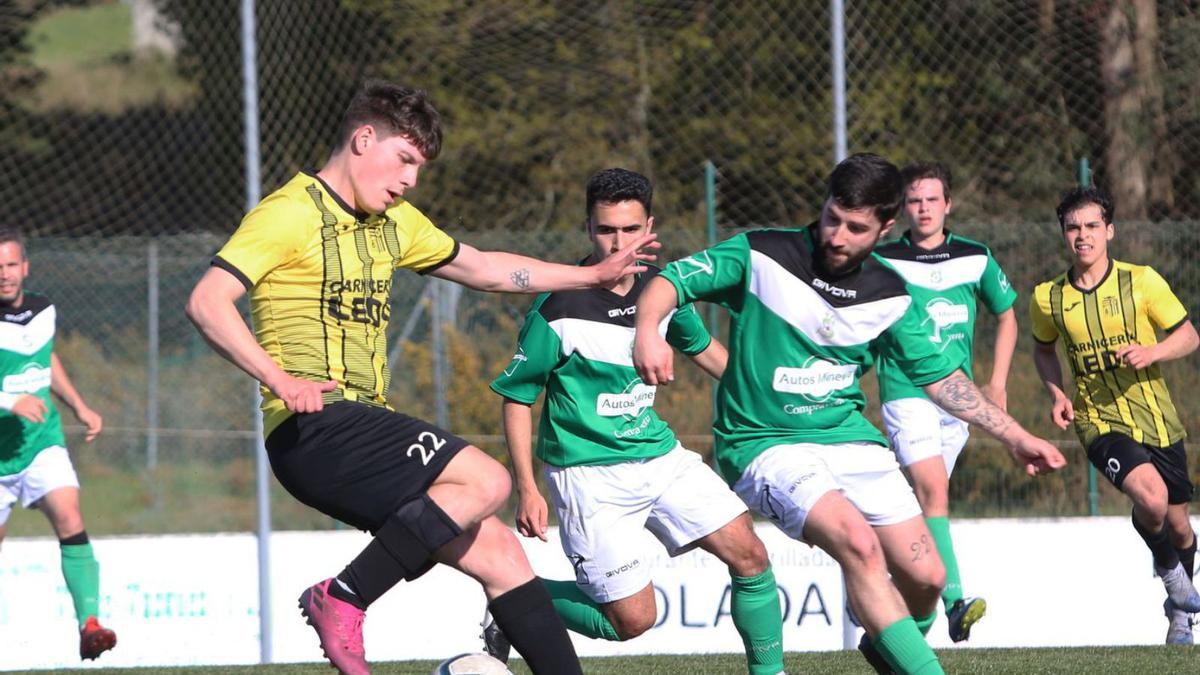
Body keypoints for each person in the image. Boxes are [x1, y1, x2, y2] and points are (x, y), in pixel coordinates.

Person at [186, 81, 659, 675]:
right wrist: (279, 378)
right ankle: (344, 597)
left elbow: (485, 268)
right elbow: (208, 302)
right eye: (404, 159)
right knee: (487, 480)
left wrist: (590, 278)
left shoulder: (395, 222)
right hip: (313, 428)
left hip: (361, 424)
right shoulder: (289, 213)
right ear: (363, 139)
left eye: (419, 167)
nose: (410, 179)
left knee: (501, 555)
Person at [631, 153, 1066, 675]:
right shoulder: (762, 253)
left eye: (855, 228)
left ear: (885, 227)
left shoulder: (888, 292)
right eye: (833, 217)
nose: (837, 235)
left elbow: (940, 377)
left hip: (851, 442)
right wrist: (647, 332)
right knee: (858, 543)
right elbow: (670, 281)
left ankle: (888, 650)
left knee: (928, 578)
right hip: (764, 443)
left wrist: (1015, 435)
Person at [486, 168, 785, 674]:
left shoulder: (661, 292)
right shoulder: (559, 308)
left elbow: (704, 351)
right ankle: (511, 604)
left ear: (650, 227)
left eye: (629, 230)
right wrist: (528, 488)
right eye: (606, 231)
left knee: (750, 554)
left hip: (659, 456)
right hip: (588, 476)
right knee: (631, 622)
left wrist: (764, 398)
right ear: (588, 228)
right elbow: (517, 397)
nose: (617, 243)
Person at [1031, 186, 1200, 645]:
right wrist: (1056, 392)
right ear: (1063, 234)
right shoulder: (1049, 297)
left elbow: (1188, 336)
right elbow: (1042, 349)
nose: (1081, 235)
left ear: (1109, 230)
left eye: (1090, 226)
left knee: (1180, 524)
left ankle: (1180, 615)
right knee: (1151, 498)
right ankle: (1171, 578)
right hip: (1098, 420)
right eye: (1072, 227)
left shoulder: (1141, 281)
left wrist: (1154, 351)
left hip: (1157, 417)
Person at [871, 162, 1017, 642]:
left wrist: (996, 384)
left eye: (932, 200)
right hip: (906, 391)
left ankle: (914, 617)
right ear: (904, 207)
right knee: (934, 491)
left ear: (948, 205)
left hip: (958, 400)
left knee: (920, 509)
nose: (924, 208)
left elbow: (1008, 315)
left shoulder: (974, 257)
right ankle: (954, 602)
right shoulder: (885, 260)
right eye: (915, 201)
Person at [0, 229, 114, 661]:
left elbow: (45, 357)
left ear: (25, 267)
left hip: (41, 443)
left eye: (11, 265)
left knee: (69, 515)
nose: (5, 275)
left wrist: (79, 406)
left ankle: (90, 624)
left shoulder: (42, 308)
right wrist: (9, 402)